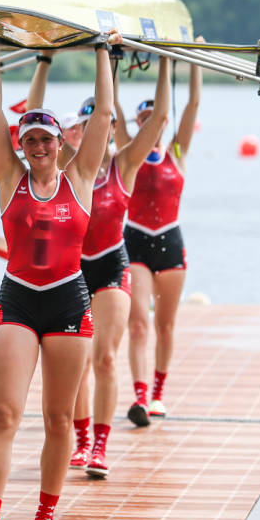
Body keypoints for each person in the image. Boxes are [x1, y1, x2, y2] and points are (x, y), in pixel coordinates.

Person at [0, 29, 120, 520]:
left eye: (47, 139)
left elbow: (102, 117)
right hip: (19, 300)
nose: (38, 147)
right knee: (5, 413)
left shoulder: (82, 176)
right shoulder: (10, 177)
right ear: (22, 147)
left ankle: (45, 519)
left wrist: (104, 50)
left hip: (72, 302)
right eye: (29, 139)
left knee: (57, 419)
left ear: (60, 143)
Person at [60, 56, 171, 476]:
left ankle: (101, 448)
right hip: (73, 270)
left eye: (100, 123)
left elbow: (160, 116)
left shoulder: (124, 164)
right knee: (78, 363)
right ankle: (82, 440)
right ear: (76, 132)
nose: (93, 131)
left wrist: (164, 63)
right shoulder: (66, 165)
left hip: (110, 265)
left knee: (105, 357)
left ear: (107, 127)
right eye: (84, 125)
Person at [117, 43, 203, 426]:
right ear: (138, 124)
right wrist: (111, 60)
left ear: (163, 122)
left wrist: (185, 60)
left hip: (170, 242)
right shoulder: (126, 152)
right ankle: (138, 395)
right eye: (144, 117)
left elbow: (192, 106)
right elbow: (111, 110)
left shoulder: (177, 152)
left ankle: (158, 394)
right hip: (134, 241)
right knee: (137, 322)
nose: (151, 121)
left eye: (156, 116)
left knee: (165, 325)